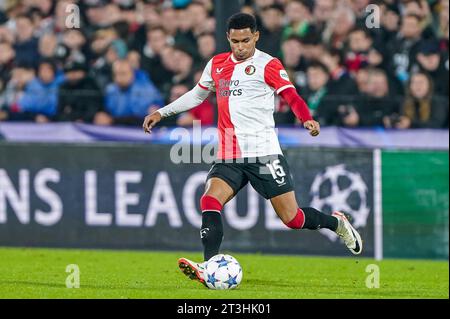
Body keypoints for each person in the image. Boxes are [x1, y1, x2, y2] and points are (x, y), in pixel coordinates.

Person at [142, 13, 362, 286]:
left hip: (264, 153)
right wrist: (162, 113)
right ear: (228, 38)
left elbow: (290, 95)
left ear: (256, 36)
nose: (240, 47)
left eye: (246, 40)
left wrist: (306, 117)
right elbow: (198, 94)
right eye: (235, 41)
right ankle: (210, 266)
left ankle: (336, 223)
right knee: (209, 200)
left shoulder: (268, 64)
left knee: (292, 219)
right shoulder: (217, 64)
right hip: (230, 153)